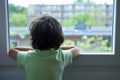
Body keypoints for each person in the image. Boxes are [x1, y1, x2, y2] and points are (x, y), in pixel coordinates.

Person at [8, 14, 80, 80]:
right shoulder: (61, 56)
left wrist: (36, 49)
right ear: (58, 37)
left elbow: (12, 51)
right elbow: (76, 49)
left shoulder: (28, 56)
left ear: (34, 37)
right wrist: (55, 47)